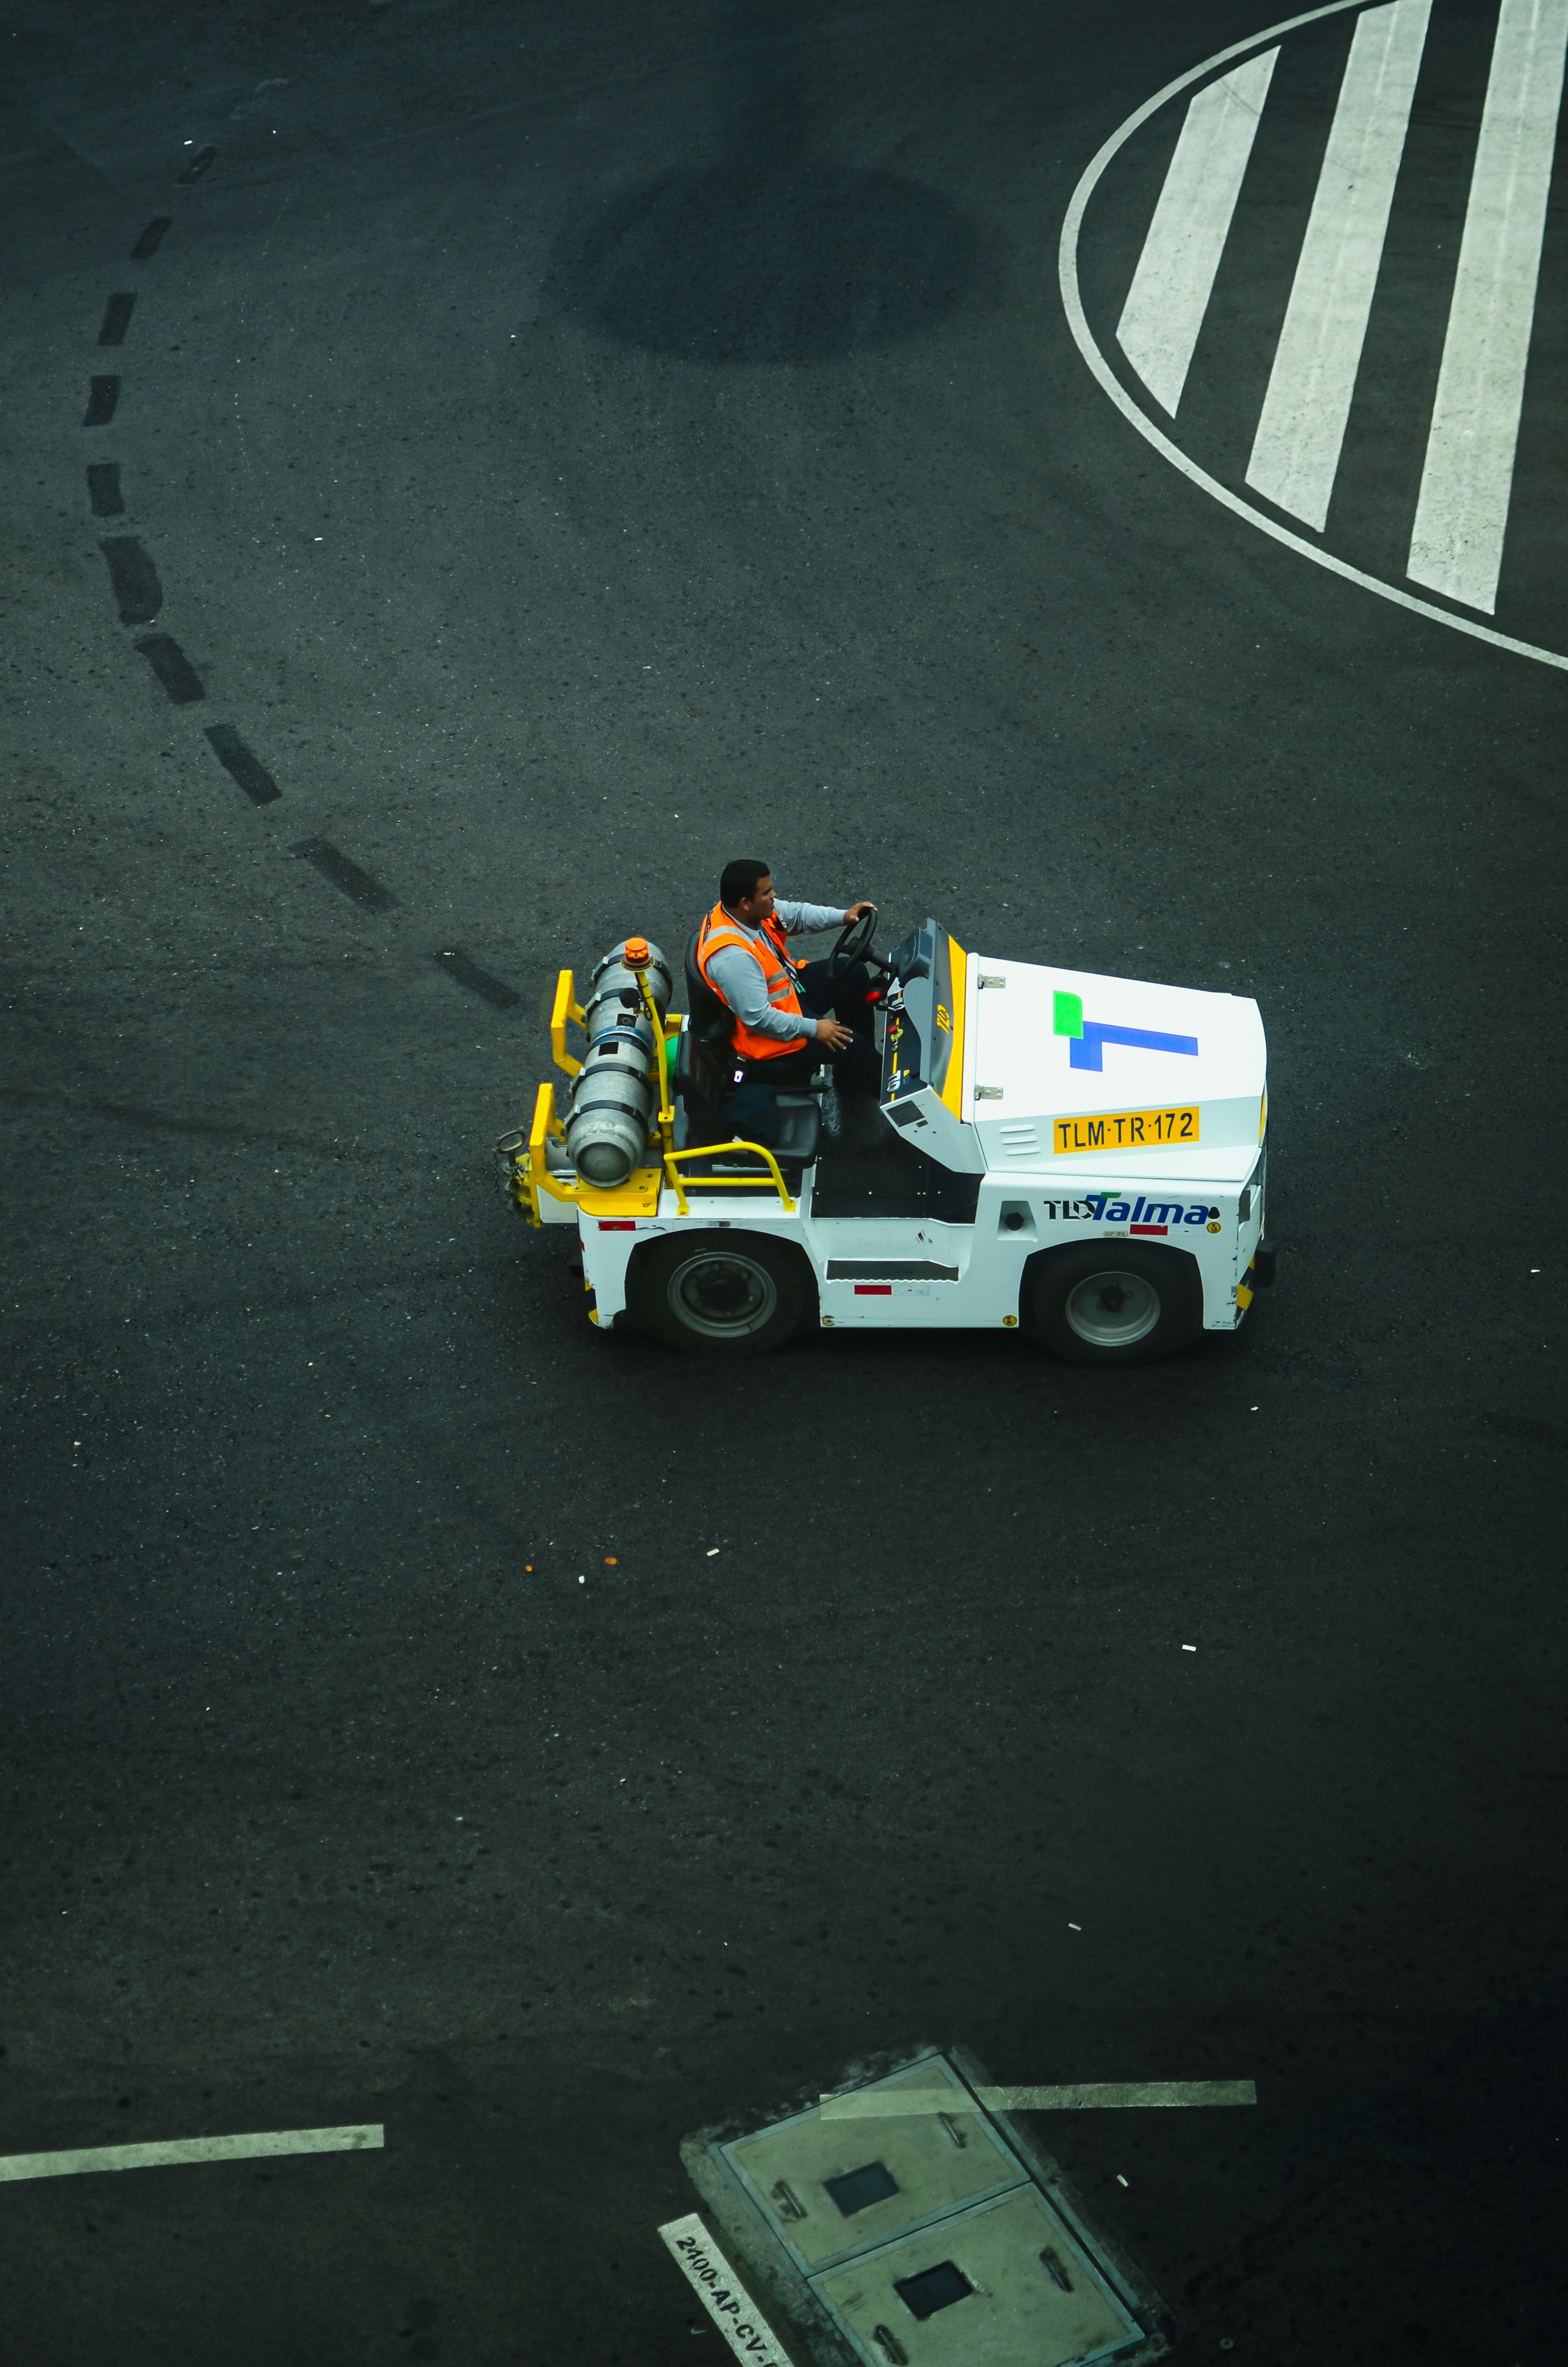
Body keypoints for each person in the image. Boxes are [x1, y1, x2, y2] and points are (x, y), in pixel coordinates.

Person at [696, 860, 882, 1138]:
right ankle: (903, 1101)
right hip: (769, 1035)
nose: (774, 897)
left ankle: (854, 1074)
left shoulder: (743, 913)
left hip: (788, 997)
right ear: (746, 902)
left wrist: (844, 916)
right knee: (852, 1046)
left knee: (852, 974)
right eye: (767, 893)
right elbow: (759, 1019)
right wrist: (815, 1028)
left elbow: (795, 915)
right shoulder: (733, 958)